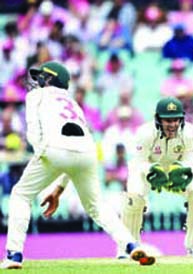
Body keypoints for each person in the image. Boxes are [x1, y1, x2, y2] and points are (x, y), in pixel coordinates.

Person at [0, 61, 153, 269]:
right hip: (87, 151)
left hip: (53, 148)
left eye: (41, 77)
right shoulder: (73, 103)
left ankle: (13, 255)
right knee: (97, 206)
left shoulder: (36, 96)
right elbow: (73, 154)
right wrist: (59, 188)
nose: (37, 81)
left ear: (50, 79)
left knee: (20, 195)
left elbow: (34, 131)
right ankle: (130, 244)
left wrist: (41, 155)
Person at [118, 96, 193, 258]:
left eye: (176, 120)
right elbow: (139, 161)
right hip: (145, 170)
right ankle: (128, 248)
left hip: (173, 170)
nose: (172, 125)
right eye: (167, 121)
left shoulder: (189, 133)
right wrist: (151, 171)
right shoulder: (145, 133)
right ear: (158, 120)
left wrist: (182, 173)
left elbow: (188, 160)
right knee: (133, 200)